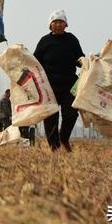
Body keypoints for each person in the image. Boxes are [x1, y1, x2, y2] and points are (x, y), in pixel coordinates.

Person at [34, 9, 84, 152]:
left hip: (69, 85)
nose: (58, 25)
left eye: (61, 22)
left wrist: (87, 62)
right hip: (49, 87)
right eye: (55, 22)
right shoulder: (45, 41)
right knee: (51, 117)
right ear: (50, 25)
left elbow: (79, 58)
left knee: (71, 113)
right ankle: (54, 147)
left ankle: (64, 138)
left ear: (66, 25)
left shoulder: (72, 40)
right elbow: (35, 61)